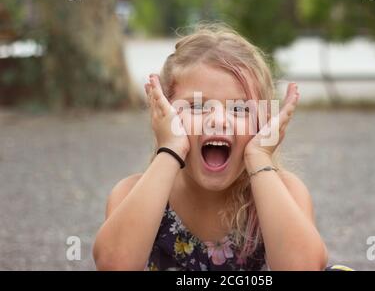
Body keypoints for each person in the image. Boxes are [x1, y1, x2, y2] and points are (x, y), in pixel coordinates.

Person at [93, 23, 330, 271]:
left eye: (239, 109)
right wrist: (169, 150)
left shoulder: (285, 192)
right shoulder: (132, 194)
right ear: (163, 114)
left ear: (264, 122)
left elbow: (305, 267)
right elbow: (113, 264)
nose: (218, 120)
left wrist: (260, 158)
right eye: (196, 106)